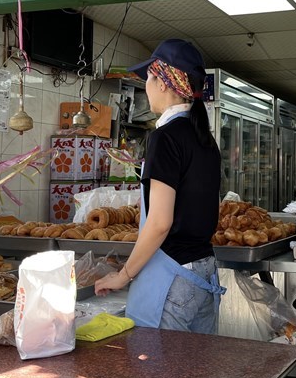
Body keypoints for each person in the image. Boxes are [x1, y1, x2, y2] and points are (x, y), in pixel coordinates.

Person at [95, 38, 225, 334]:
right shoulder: (205, 140)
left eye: (149, 79)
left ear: (164, 82)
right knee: (193, 375)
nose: (147, 87)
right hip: (203, 272)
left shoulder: (165, 137)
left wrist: (124, 275)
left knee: (159, 376)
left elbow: (160, 222)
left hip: (173, 279)